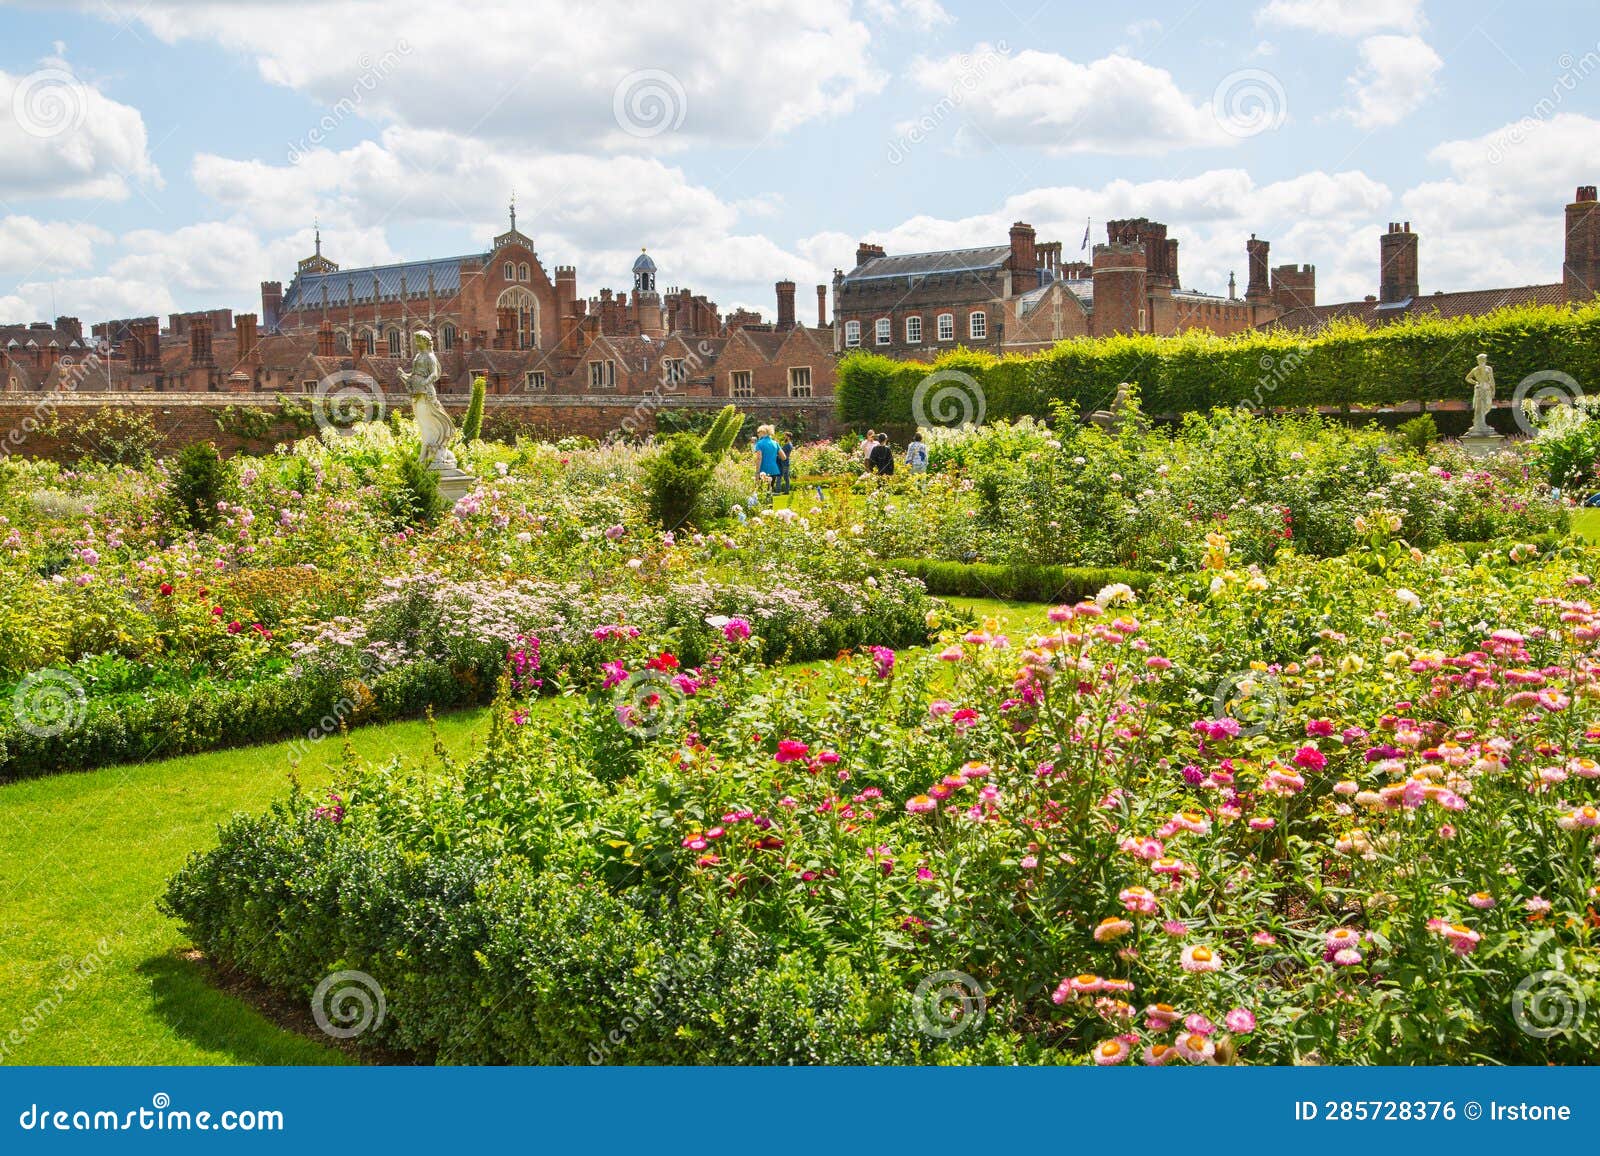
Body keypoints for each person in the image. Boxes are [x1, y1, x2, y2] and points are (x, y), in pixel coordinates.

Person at [753, 424, 784, 495]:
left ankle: (764, 506)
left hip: (763, 471)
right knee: (770, 491)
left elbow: (759, 458)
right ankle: (770, 506)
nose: (758, 434)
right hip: (773, 470)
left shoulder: (759, 443)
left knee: (762, 493)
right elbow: (783, 457)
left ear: (763, 432)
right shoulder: (775, 443)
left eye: (758, 432)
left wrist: (757, 473)